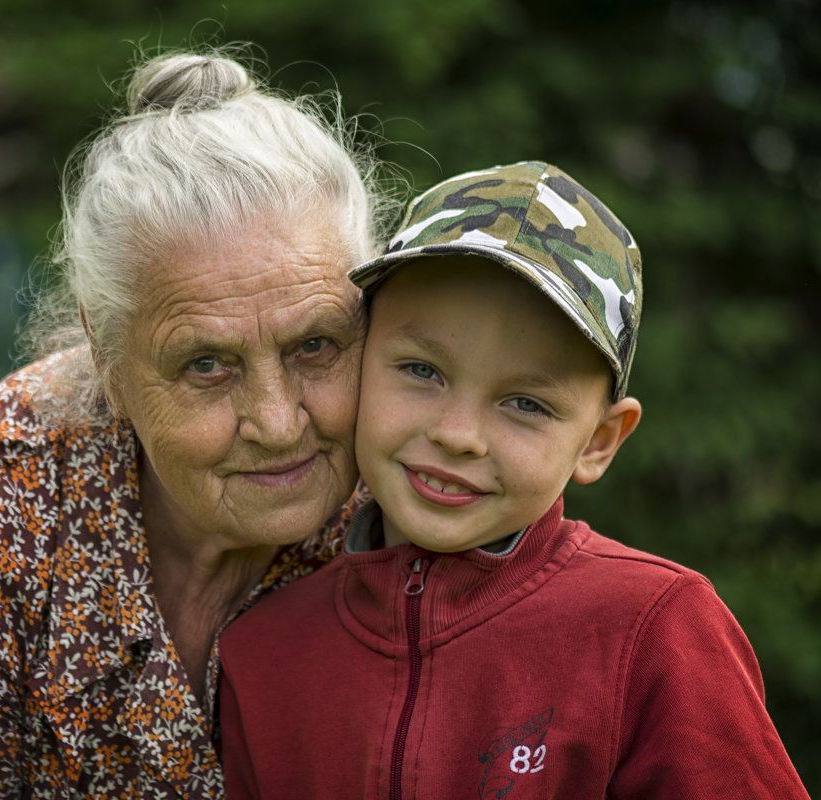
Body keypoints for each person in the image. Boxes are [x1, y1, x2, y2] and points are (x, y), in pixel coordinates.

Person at [0, 51, 388, 799]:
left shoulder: (407, 495)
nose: (276, 419)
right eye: (206, 364)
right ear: (108, 361)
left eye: (315, 346)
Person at [218, 161, 810, 799]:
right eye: (421, 370)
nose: (458, 434)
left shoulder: (654, 630)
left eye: (526, 403)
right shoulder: (263, 652)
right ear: (357, 362)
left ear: (599, 442)